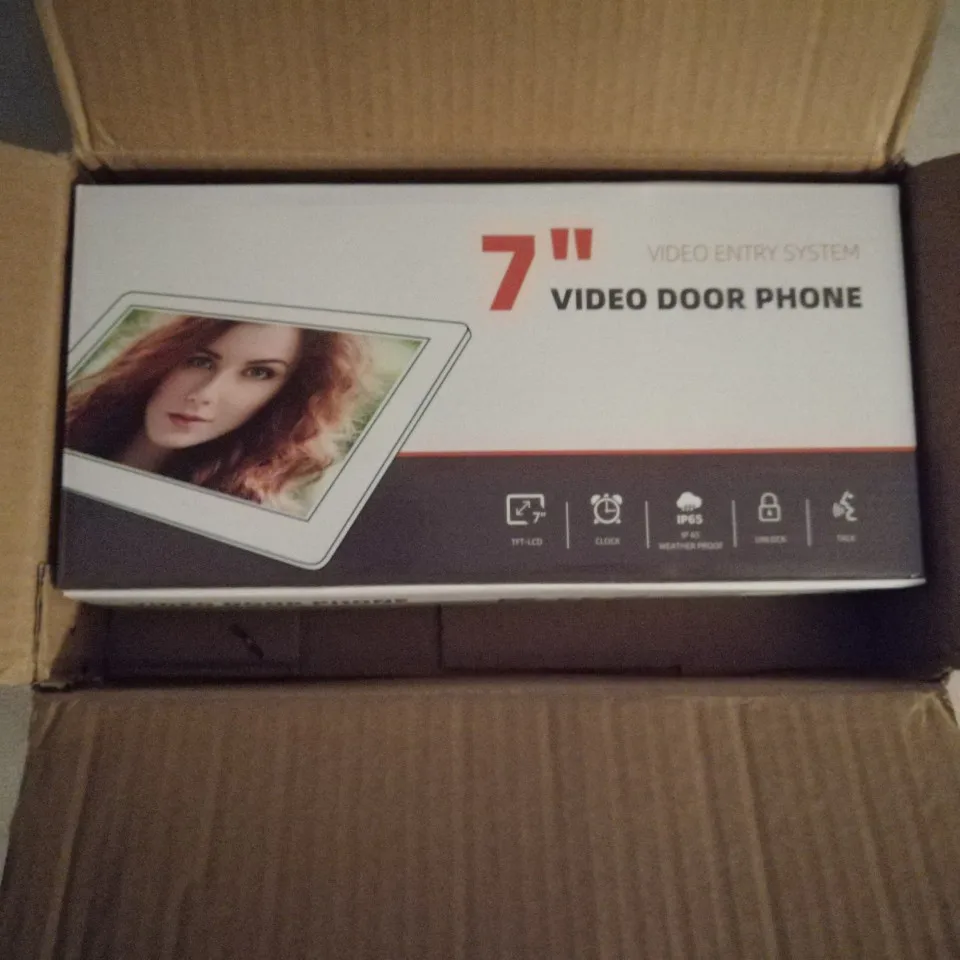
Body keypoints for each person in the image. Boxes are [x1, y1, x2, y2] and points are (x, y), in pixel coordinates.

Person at [66, 314, 369, 506]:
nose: (204, 394)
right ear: (163, 359)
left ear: (283, 395)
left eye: (258, 373)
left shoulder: (237, 516)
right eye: (200, 361)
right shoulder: (63, 431)